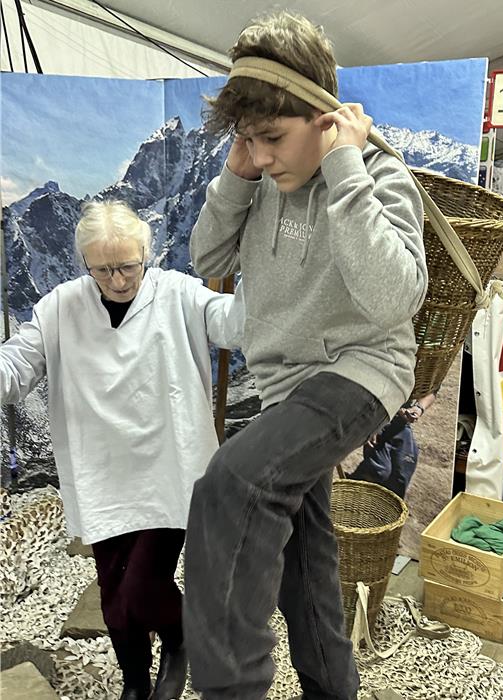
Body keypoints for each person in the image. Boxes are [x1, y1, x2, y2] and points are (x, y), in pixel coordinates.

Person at [183, 10, 427, 700]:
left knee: (235, 483)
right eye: (247, 140)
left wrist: (346, 167)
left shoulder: (376, 174)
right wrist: (237, 176)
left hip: (358, 372)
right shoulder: (258, 180)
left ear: (323, 117)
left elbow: (390, 299)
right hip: (289, 389)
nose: (261, 155)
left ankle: (232, 689)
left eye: (272, 138)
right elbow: (208, 258)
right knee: (304, 564)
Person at [0, 201, 245, 700]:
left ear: (146, 254)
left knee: (141, 587)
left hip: (170, 469)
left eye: (128, 265)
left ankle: (178, 641)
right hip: (102, 474)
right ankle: (134, 681)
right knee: (114, 596)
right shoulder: (61, 306)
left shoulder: (177, 293)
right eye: (103, 269)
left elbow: (234, 324)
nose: (116, 280)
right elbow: (16, 367)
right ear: (85, 264)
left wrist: (264, 273)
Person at [349, 393, 436, 498]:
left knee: (401, 477)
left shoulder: (427, 377)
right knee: (378, 471)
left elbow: (432, 391)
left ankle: (386, 510)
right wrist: (370, 423)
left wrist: (418, 408)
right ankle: (350, 495)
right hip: (378, 416)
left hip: (401, 423)